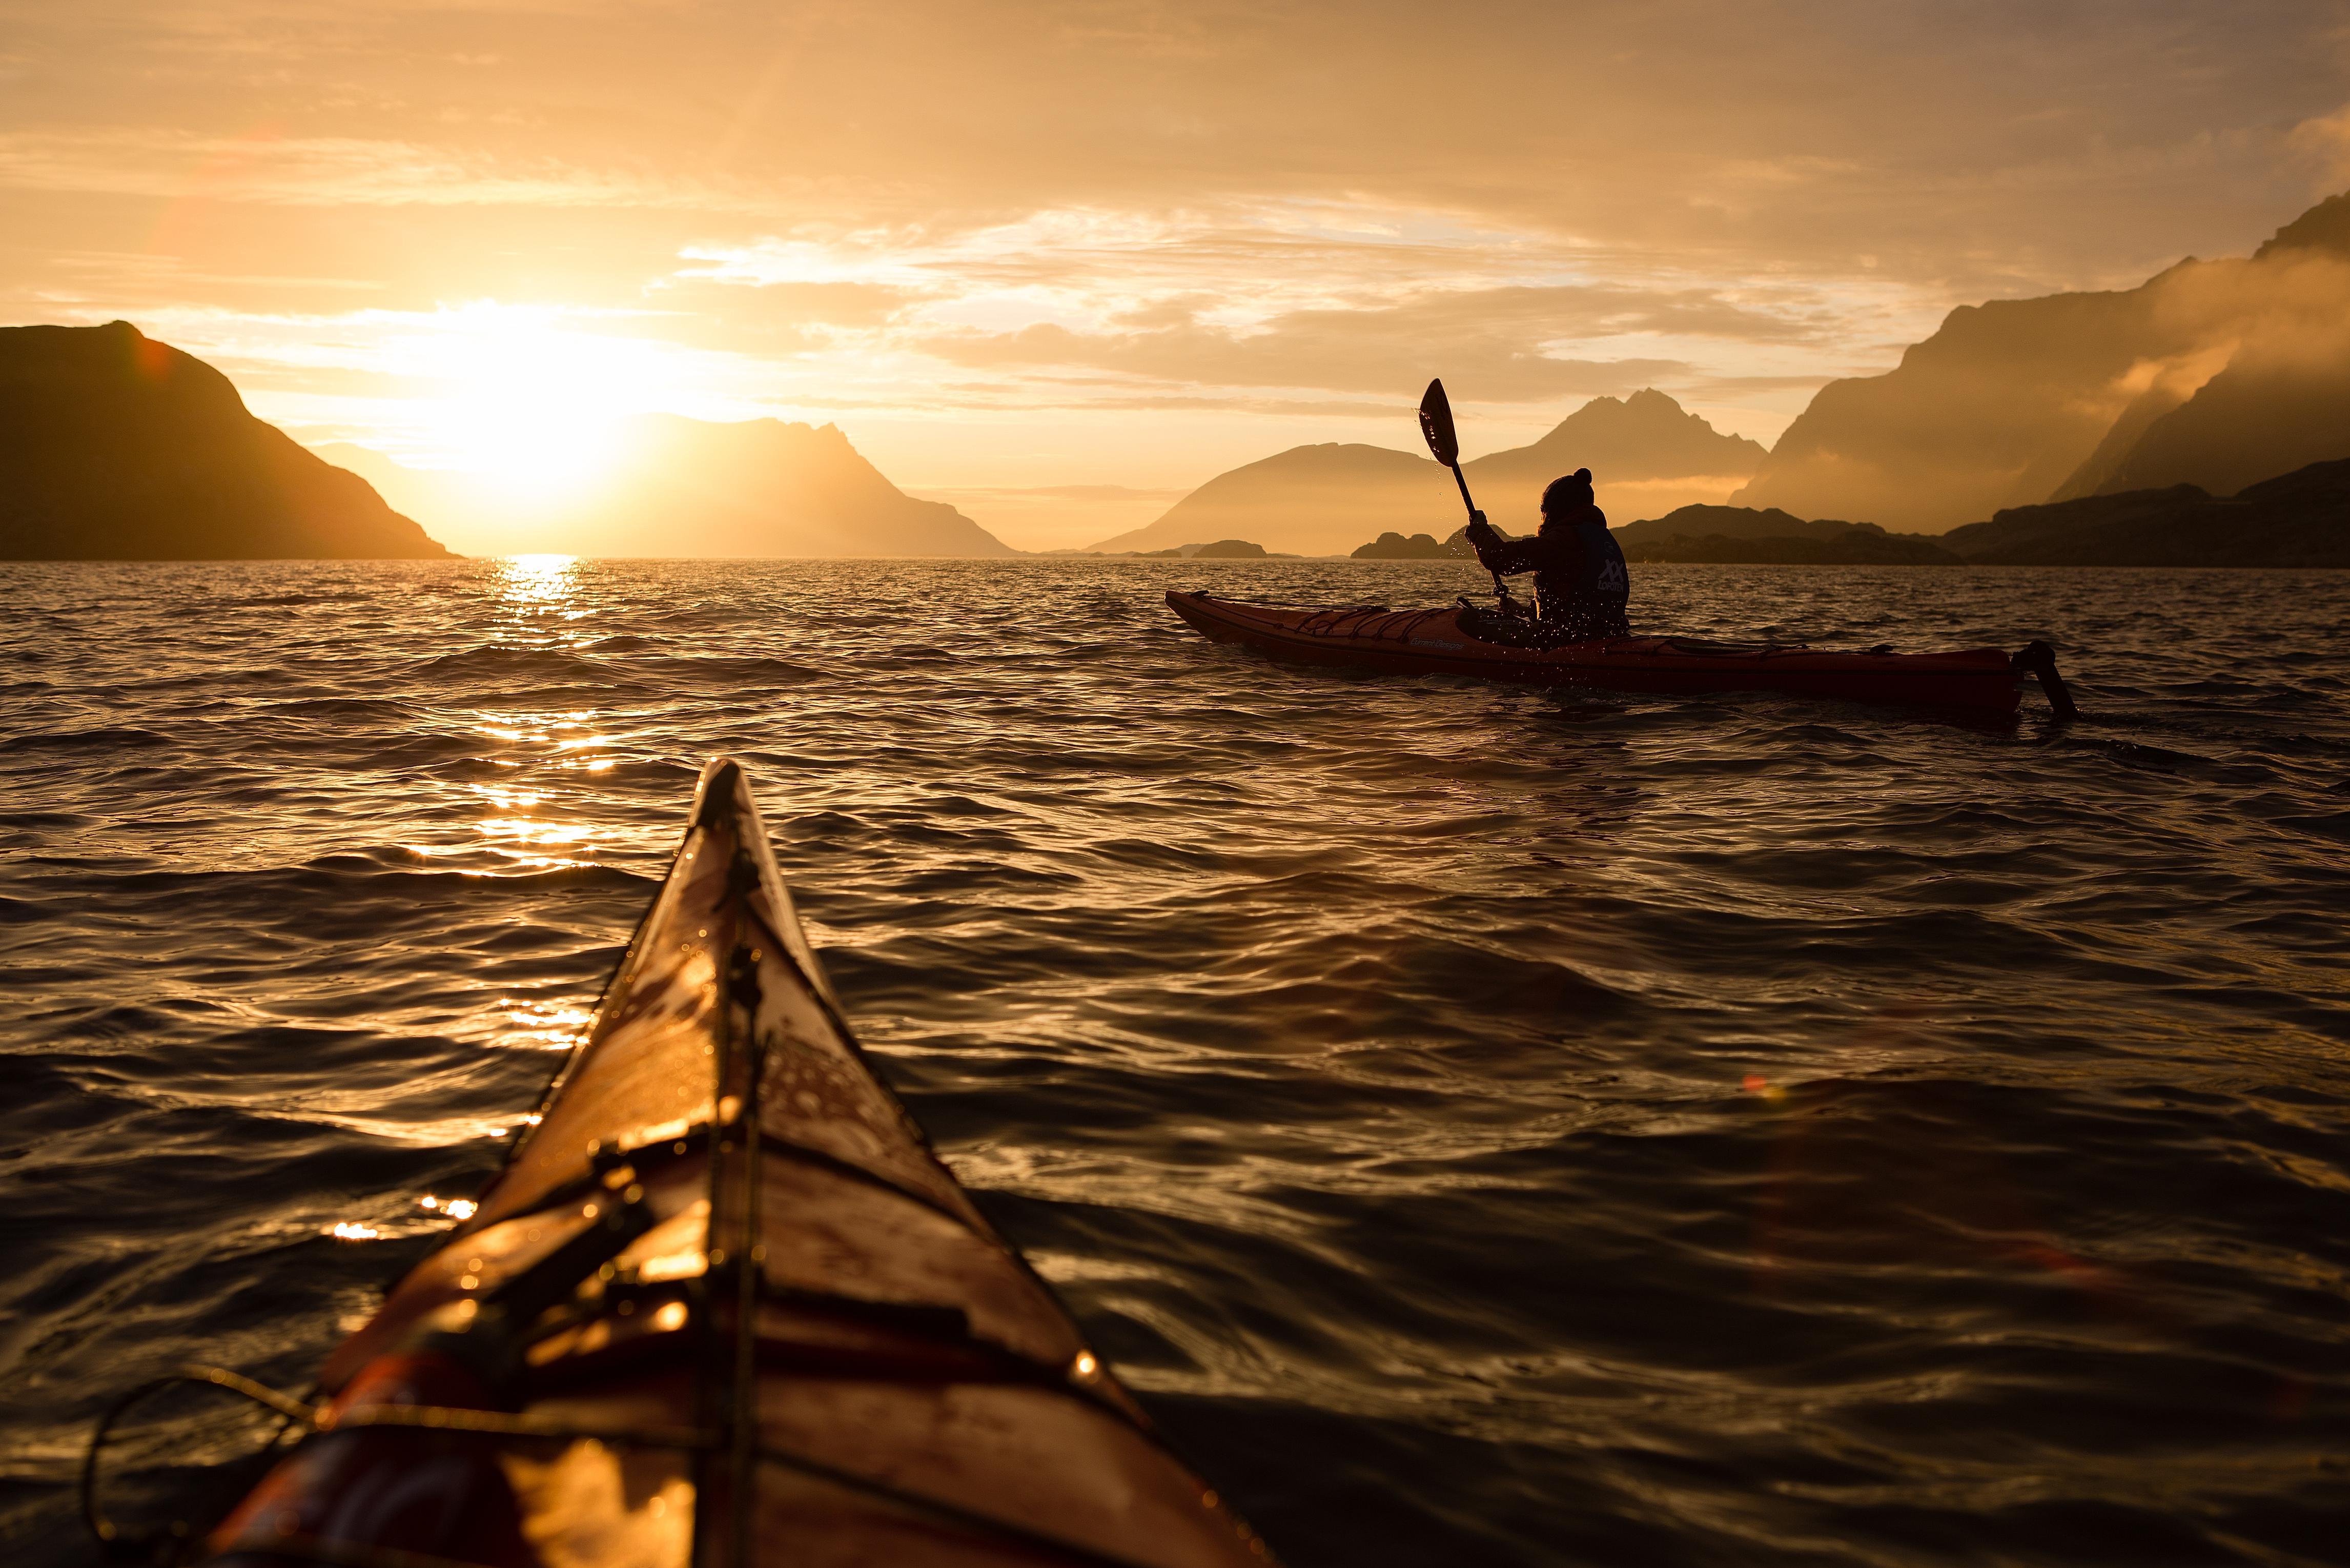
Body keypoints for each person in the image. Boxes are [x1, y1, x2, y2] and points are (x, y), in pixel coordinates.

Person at [1463, 468, 1630, 639]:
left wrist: (1479, 529)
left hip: (1568, 642)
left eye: (1543, 511)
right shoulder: (1604, 541)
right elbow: (1579, 603)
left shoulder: (1563, 540)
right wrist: (1526, 610)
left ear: (1555, 510)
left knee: (1469, 623)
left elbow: (1499, 558)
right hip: (1611, 637)